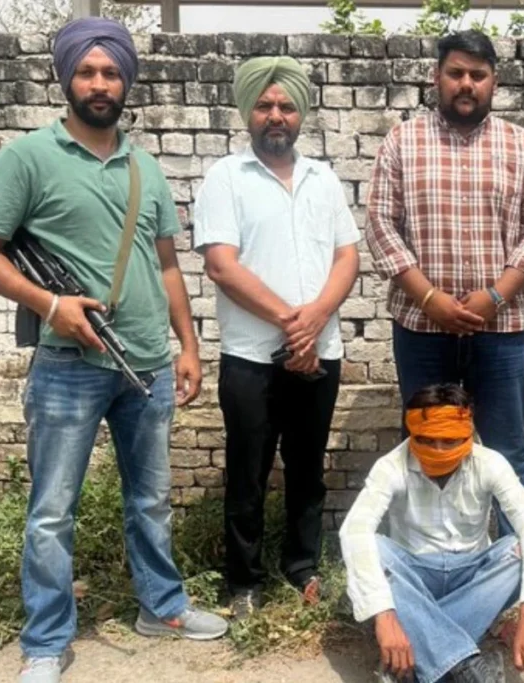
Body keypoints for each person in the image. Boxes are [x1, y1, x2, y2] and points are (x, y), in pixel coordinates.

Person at [0, 17, 228, 683]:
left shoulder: (145, 167)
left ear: (126, 81)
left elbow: (167, 265)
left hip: (147, 364)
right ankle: (46, 641)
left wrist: (188, 345)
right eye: (87, 71)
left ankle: (161, 606)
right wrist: (51, 305)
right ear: (67, 78)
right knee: (53, 512)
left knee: (152, 499)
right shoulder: (28, 158)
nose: (100, 83)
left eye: (111, 72)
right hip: (66, 366)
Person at [365, 30, 524, 536]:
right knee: (426, 443)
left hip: (501, 331)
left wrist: (495, 296)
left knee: (509, 450)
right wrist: (429, 298)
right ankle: (425, 559)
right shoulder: (402, 142)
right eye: (456, 73)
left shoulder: (521, 145)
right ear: (437, 77)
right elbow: (381, 225)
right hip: (422, 329)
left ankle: (522, 566)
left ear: (494, 81)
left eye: (477, 74)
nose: (466, 84)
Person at [193, 56, 361, 617]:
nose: (275, 115)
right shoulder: (226, 177)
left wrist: (317, 320)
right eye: (264, 105)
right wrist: (296, 322)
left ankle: (302, 566)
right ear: (248, 112)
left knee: (307, 469)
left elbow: (346, 256)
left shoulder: (323, 178)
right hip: (251, 357)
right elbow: (222, 265)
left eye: (286, 106)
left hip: (321, 352)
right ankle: (244, 582)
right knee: (248, 472)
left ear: (300, 115)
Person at [339, 383, 524, 683]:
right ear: (412, 433)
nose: (438, 451)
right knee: (371, 547)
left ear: (468, 435)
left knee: (521, 550)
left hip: (471, 578)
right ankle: (466, 665)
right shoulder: (391, 466)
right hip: (414, 581)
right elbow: (355, 530)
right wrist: (385, 616)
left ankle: (418, 649)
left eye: (450, 441)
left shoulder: (490, 463)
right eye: (427, 440)